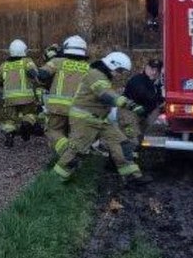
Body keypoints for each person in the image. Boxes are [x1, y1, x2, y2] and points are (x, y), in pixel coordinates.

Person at [52, 51, 146, 185]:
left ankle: (132, 177)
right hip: (85, 120)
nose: (119, 74)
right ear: (112, 65)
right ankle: (54, 181)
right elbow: (105, 94)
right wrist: (129, 104)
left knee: (122, 144)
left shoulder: (103, 76)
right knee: (76, 152)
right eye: (119, 70)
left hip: (100, 119)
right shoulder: (95, 75)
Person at [34, 35, 92, 156]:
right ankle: (75, 155)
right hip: (79, 109)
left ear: (66, 48)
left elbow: (42, 75)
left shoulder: (57, 62)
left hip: (58, 107)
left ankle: (66, 152)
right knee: (74, 134)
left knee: (53, 131)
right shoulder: (89, 67)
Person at [0, 39, 40, 147]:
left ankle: (9, 136)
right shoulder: (27, 61)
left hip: (9, 99)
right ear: (23, 51)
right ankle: (26, 124)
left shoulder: (3, 65)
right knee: (30, 114)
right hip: (27, 98)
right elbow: (34, 73)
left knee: (10, 120)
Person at [120, 59, 164, 158]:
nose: (154, 72)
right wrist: (161, 98)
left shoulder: (156, 84)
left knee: (139, 138)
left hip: (142, 115)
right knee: (132, 139)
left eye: (157, 70)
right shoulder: (138, 80)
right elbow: (145, 95)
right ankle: (122, 161)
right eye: (151, 69)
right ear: (146, 67)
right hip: (129, 113)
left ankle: (132, 158)